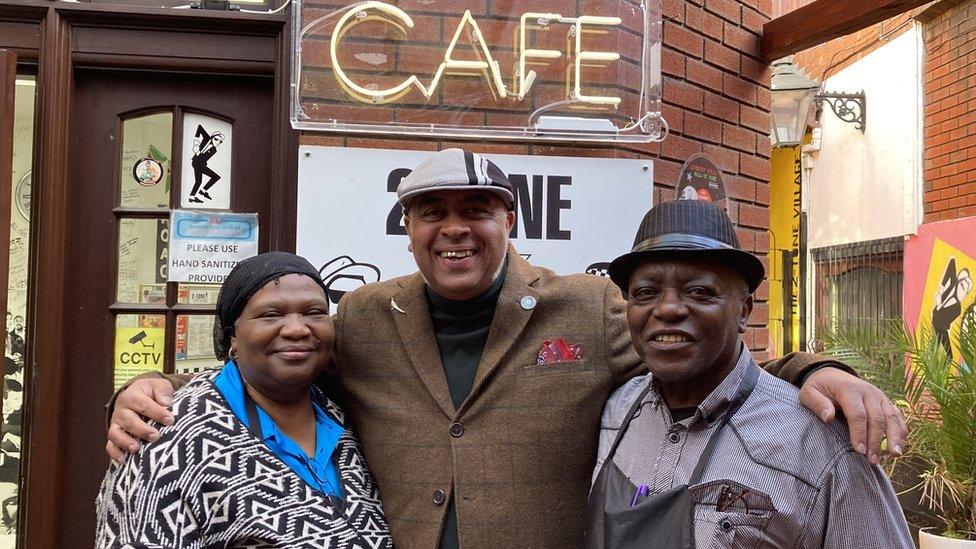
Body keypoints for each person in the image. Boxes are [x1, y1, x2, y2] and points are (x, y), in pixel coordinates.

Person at [107, 149, 906, 548]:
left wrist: (815, 368)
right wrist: (156, 386)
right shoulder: (363, 314)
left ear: (507, 218)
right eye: (432, 212)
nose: (454, 227)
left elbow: (706, 358)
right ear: (409, 229)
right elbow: (277, 355)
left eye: (475, 209)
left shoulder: (590, 306)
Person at [586, 200, 913, 548]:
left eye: (699, 291)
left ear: (744, 311)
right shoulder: (615, 411)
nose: (667, 308)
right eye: (646, 293)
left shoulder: (822, 446)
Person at [95, 252, 391, 548]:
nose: (297, 329)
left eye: (314, 313)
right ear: (232, 336)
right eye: (271, 315)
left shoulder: (345, 418)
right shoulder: (168, 434)